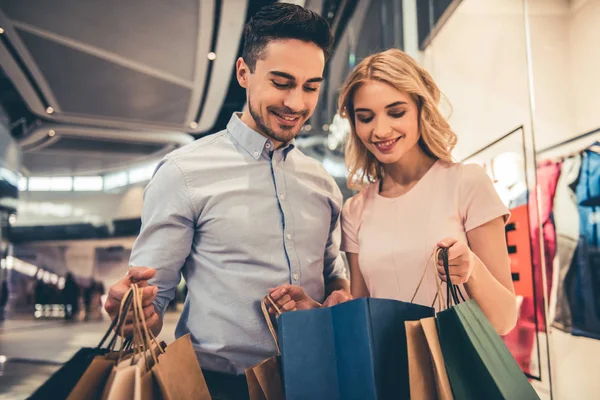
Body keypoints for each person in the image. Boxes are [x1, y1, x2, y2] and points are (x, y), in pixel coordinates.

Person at [104, 4, 351, 399]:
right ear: (243, 73)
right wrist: (133, 312)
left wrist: (339, 293)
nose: (296, 103)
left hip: (317, 379)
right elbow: (153, 302)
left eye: (310, 86)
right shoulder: (183, 173)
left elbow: (332, 269)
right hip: (218, 387)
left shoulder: (322, 182)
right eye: (281, 82)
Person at [335, 48, 517, 334]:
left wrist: (471, 269)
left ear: (422, 108)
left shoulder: (467, 183)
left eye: (396, 112)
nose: (381, 130)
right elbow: (361, 310)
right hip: (387, 369)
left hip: (454, 368)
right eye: (366, 117)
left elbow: (506, 320)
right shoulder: (355, 210)